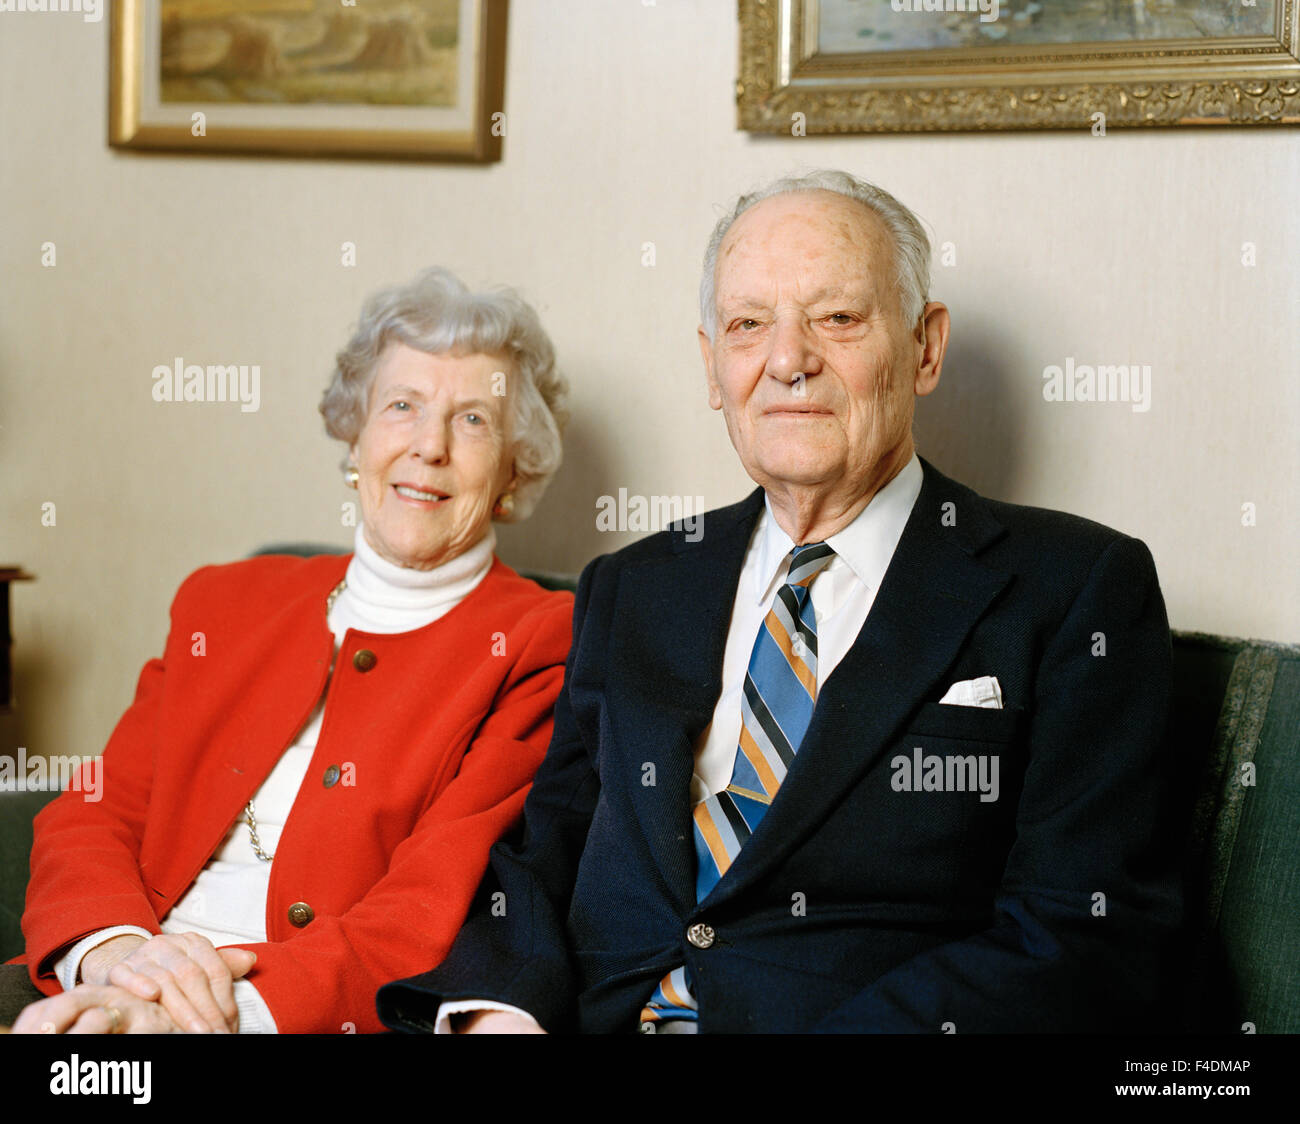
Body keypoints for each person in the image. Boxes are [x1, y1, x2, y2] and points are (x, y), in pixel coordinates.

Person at [377, 171, 1180, 1034]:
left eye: (837, 319)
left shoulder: (1075, 587)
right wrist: (501, 1011)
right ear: (714, 367)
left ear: (925, 347)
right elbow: (549, 848)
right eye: (748, 325)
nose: (788, 360)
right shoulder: (635, 584)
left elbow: (1085, 930)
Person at [5, 267, 573, 1034]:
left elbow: (429, 905)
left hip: (300, 1012)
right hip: (116, 976)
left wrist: (209, 1014)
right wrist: (117, 955)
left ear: (515, 467)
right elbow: (99, 810)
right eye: (401, 406)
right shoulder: (225, 601)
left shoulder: (543, 641)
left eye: (473, 420)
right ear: (355, 434)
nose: (428, 447)